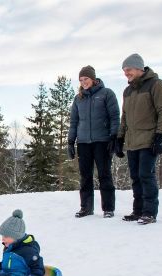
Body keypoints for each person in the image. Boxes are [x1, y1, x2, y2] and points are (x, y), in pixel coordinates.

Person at [116, 53, 162, 225]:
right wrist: (120, 138)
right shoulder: (128, 90)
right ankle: (138, 210)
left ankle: (149, 212)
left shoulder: (156, 85)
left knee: (146, 175)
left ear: (140, 68)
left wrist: (160, 136)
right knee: (135, 177)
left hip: (149, 139)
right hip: (132, 141)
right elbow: (124, 117)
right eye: (124, 70)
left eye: (129, 69)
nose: (126, 73)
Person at [68, 65, 120, 218]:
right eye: (81, 80)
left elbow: (114, 117)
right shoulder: (78, 98)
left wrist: (114, 137)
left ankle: (108, 208)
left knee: (104, 175)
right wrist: (71, 141)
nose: (83, 82)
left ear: (93, 78)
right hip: (83, 142)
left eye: (86, 79)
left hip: (102, 141)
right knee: (85, 176)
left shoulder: (106, 94)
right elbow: (74, 122)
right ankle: (86, 207)